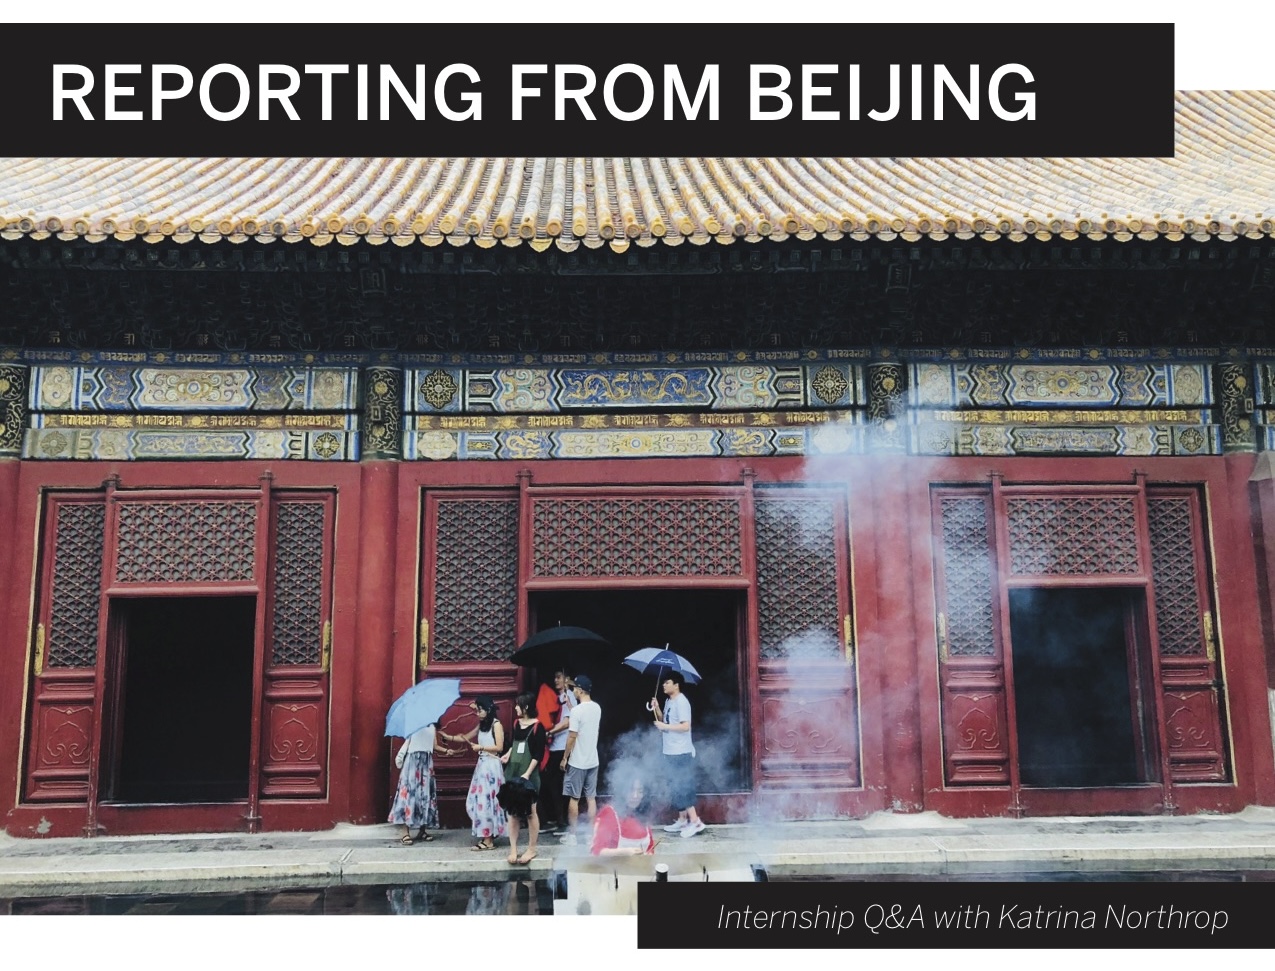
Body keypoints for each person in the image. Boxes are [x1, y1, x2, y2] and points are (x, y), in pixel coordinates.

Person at [441, 694, 507, 851]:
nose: (477, 713)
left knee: (488, 802)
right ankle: (487, 835)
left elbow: (499, 747)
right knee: (477, 801)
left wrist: (481, 748)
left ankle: (488, 839)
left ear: (488, 709)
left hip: (491, 766)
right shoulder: (482, 724)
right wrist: (448, 736)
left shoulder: (496, 725)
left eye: (480, 710)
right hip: (482, 766)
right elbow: (467, 737)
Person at [651, 670, 706, 838]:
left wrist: (664, 727)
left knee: (683, 786)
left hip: (681, 751)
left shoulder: (682, 702)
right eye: (664, 683)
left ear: (676, 685)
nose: (663, 685)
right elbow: (665, 720)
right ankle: (682, 820)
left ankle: (695, 821)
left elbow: (685, 726)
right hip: (670, 750)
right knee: (675, 787)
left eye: (667, 682)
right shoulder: (669, 701)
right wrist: (657, 708)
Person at [497, 692, 548, 865]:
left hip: (529, 774)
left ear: (526, 707)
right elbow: (514, 743)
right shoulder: (516, 723)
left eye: (518, 705)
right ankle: (513, 849)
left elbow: (538, 754)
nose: (516, 707)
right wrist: (507, 755)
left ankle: (531, 848)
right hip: (513, 771)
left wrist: (527, 773)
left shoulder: (538, 727)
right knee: (512, 813)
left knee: (530, 813)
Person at [388, 720, 449, 845]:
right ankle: (405, 832)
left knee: (425, 795)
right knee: (409, 795)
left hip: (426, 761)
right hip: (413, 762)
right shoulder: (413, 724)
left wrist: (447, 751)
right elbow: (408, 742)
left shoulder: (432, 726)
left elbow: (434, 746)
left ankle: (422, 830)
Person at [559, 673, 601, 845]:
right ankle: (592, 835)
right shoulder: (597, 708)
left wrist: (564, 758)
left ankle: (573, 836)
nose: (573, 690)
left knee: (574, 798)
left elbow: (572, 736)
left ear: (580, 690)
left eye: (574, 688)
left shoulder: (577, 712)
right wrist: (570, 706)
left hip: (577, 761)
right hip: (593, 760)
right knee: (591, 798)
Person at [539, 667, 576, 835]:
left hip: (563, 747)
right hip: (554, 746)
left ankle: (563, 822)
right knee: (551, 784)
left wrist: (550, 730)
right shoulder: (557, 697)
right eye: (555, 677)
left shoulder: (570, 697)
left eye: (559, 677)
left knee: (560, 785)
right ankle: (556, 819)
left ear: (567, 679)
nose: (556, 680)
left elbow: (569, 722)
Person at [591, 774, 655, 856]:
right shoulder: (609, 813)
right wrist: (625, 852)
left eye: (640, 791)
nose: (635, 796)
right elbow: (596, 852)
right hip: (614, 868)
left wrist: (648, 854)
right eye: (631, 790)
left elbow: (651, 848)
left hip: (640, 868)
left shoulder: (644, 814)